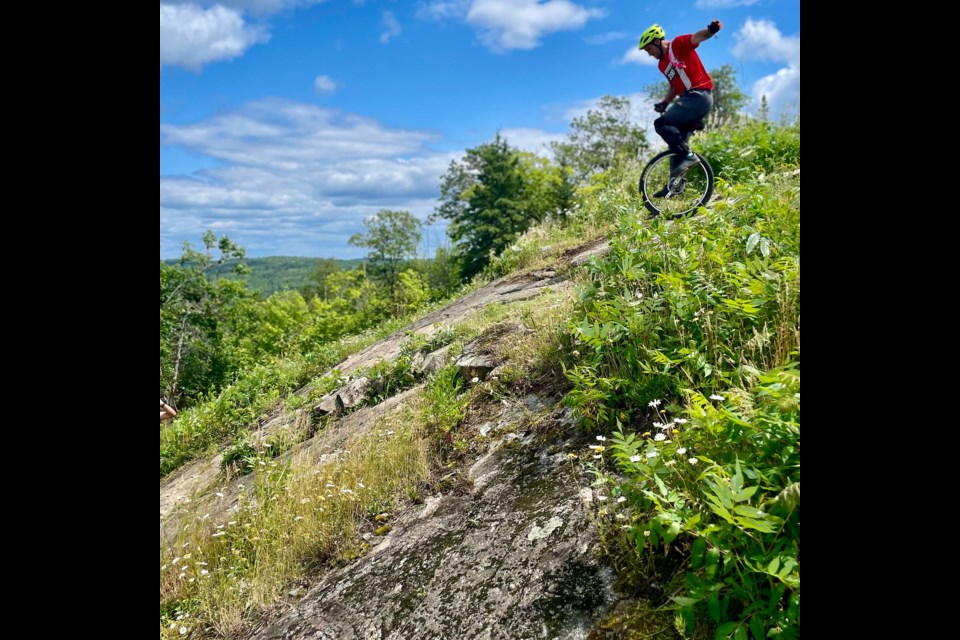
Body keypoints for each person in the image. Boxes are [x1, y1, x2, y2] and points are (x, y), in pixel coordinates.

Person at [638, 20, 723, 183]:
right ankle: (675, 184)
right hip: (689, 99)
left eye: (649, 49)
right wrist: (664, 103)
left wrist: (710, 30)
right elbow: (674, 87)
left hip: (699, 95)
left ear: (657, 41)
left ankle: (689, 157)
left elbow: (696, 38)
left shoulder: (676, 45)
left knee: (662, 124)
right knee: (676, 145)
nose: (649, 54)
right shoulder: (662, 65)